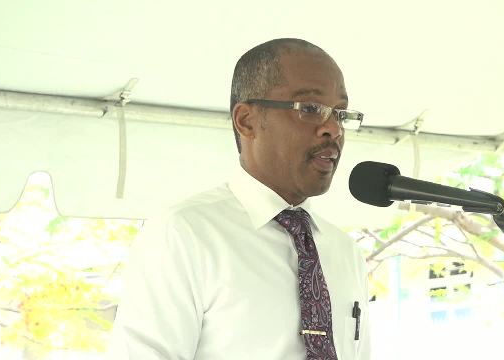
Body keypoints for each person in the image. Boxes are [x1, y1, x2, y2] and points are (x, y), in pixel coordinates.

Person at [108, 38, 370, 359]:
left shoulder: (345, 252)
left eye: (341, 114)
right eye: (311, 110)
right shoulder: (185, 234)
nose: (333, 129)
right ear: (246, 120)